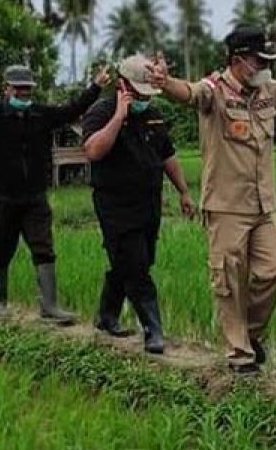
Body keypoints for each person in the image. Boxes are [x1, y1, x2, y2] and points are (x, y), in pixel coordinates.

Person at [148, 26, 276, 373]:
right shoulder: (214, 91)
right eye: (258, 60)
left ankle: (248, 334)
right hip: (225, 206)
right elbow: (188, 93)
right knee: (229, 280)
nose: (265, 66)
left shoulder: (269, 90)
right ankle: (240, 355)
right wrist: (164, 82)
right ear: (238, 61)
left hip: (264, 206)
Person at [0, 60, 110, 320]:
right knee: (1, 248)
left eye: (27, 89)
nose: (24, 94)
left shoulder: (40, 115)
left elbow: (71, 111)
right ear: (7, 89)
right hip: (1, 197)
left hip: (34, 196)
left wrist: (94, 87)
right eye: (18, 89)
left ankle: (49, 306)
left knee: (43, 247)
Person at [81, 55, 196, 354]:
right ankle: (153, 331)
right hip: (116, 206)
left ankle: (106, 317)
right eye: (139, 93)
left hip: (149, 204)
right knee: (136, 267)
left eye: (148, 94)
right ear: (123, 85)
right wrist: (119, 117)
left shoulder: (154, 114)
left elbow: (167, 155)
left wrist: (184, 191)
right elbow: (93, 150)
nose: (145, 99)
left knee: (136, 261)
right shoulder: (101, 111)